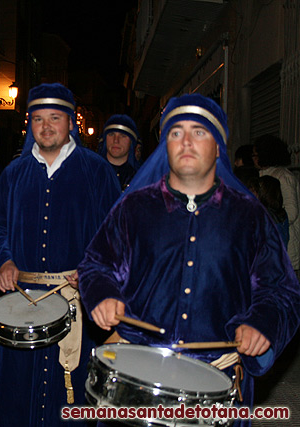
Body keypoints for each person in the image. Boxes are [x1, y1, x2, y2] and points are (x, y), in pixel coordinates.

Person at [79, 94, 300, 427]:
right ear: (165, 145)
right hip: (138, 376)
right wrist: (101, 295)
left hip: (217, 379)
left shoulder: (249, 216)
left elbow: (281, 290)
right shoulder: (134, 207)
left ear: (218, 145)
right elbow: (96, 265)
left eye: (199, 132)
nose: (185, 142)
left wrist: (263, 324)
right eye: (175, 132)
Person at [0, 83, 120, 426]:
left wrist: (94, 270)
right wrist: (3, 261)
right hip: (22, 302)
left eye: (54, 118)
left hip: (78, 301)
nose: (45, 127)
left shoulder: (97, 171)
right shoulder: (14, 174)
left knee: (74, 389)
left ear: (70, 123)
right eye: (38, 119)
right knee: (17, 391)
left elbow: (117, 234)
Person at [253, 134, 300, 273]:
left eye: (255, 154)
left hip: (286, 247)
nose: (253, 158)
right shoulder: (263, 175)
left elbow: (292, 211)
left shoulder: (283, 176)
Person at [97, 114, 141, 191]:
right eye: (111, 134)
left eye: (123, 135)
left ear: (131, 142)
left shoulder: (141, 177)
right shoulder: (92, 173)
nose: (116, 140)